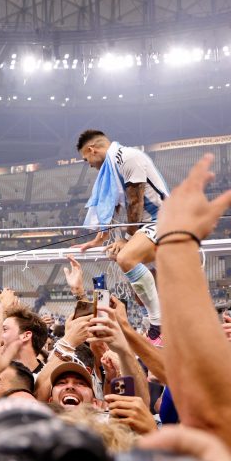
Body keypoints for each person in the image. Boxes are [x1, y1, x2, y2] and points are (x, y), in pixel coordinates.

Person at [73, 130, 169, 341]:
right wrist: (100, 239)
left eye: (86, 159)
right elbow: (114, 207)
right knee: (138, 289)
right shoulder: (112, 168)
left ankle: (157, 323)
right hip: (145, 227)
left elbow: (135, 200)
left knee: (126, 258)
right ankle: (152, 326)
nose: (89, 164)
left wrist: (127, 239)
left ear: (91, 150)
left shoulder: (127, 157)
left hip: (163, 220)